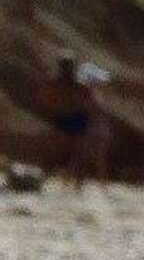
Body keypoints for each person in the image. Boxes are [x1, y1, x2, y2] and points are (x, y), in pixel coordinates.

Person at [41, 53, 108, 185]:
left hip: (69, 119)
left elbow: (48, 100)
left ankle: (70, 182)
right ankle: (72, 182)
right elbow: (91, 103)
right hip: (74, 119)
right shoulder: (73, 85)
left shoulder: (58, 83)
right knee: (77, 153)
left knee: (76, 153)